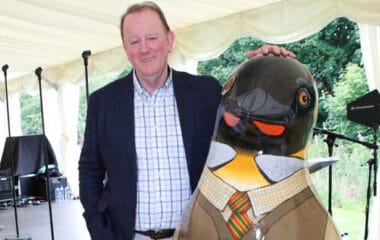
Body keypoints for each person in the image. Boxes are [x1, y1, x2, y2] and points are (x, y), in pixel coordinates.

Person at [78, 1, 295, 240]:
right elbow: (90, 170)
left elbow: (248, 124)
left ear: (169, 40)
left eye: (152, 38)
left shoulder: (205, 92)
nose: (144, 49)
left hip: (196, 234)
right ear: (125, 48)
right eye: (134, 41)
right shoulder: (103, 102)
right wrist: (99, 228)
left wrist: (265, 67)